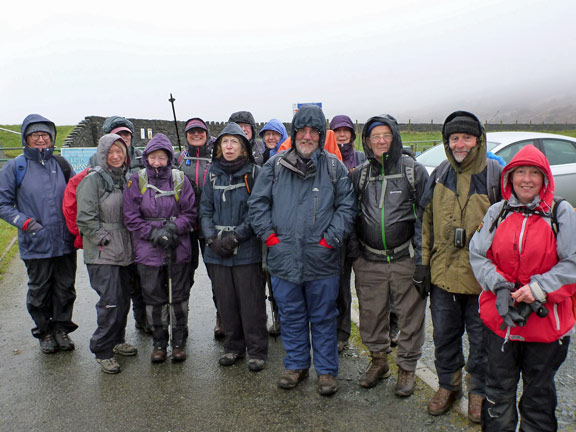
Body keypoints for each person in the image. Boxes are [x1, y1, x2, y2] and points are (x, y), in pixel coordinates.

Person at [248, 105, 356, 396]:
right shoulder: (274, 167)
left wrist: (329, 241)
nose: (307, 136)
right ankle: (296, 365)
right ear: (294, 133)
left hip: (322, 260)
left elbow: (347, 208)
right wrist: (271, 240)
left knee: (323, 316)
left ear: (321, 136)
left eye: (314, 131)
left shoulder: (335, 168)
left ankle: (326, 372)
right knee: (291, 315)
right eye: (302, 131)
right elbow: (258, 205)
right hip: (284, 259)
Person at [469, 144, 576, 431]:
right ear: (510, 177)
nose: (526, 179)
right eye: (520, 172)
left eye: (534, 173)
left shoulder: (561, 213)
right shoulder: (497, 212)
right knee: (497, 395)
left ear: (545, 179)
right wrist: (500, 286)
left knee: (538, 399)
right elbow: (478, 255)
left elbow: (573, 263)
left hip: (545, 327)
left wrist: (538, 289)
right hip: (500, 324)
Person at [415, 111, 502, 422]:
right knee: (445, 336)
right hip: (443, 277)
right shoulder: (439, 173)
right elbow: (424, 220)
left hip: (482, 282)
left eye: (466, 137)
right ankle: (447, 385)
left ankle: (478, 390)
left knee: (482, 341)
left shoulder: (495, 174)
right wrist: (421, 264)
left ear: (477, 139)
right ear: (447, 142)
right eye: (454, 138)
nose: (460, 144)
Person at [350, 114, 429, 396]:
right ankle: (379, 362)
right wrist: (355, 253)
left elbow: (424, 219)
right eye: (375, 137)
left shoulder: (413, 171)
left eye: (386, 135)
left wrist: (421, 261)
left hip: (405, 258)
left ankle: (406, 369)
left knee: (410, 318)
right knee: (371, 314)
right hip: (369, 259)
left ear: (394, 137)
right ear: (367, 142)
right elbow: (350, 214)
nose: (381, 141)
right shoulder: (359, 174)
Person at [0, 114, 77, 354]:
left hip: (64, 241)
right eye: (35, 135)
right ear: (26, 139)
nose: (41, 139)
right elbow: (3, 203)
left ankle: (62, 329)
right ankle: (44, 332)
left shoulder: (61, 165)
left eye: (45, 135)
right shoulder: (15, 167)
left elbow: (75, 197)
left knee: (65, 288)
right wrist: (26, 223)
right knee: (39, 291)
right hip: (36, 242)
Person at [200, 122, 268, 372]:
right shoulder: (213, 174)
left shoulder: (255, 173)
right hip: (216, 251)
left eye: (234, 142)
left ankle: (257, 350)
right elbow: (205, 210)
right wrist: (211, 239)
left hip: (246, 250)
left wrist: (236, 237)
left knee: (251, 302)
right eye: (225, 142)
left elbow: (257, 210)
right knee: (226, 302)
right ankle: (233, 347)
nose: (229, 147)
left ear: (244, 148)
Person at [123, 133, 196, 363]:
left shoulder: (180, 180)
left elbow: (190, 212)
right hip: (148, 250)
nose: (157, 162)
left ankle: (178, 341)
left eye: (161, 157)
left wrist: (174, 229)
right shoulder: (137, 181)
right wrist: (153, 233)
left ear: (168, 158)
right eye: (153, 157)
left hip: (178, 246)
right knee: (154, 297)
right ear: (146, 157)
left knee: (179, 296)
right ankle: (159, 342)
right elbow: (130, 216)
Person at [76, 134, 137, 374]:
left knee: (123, 299)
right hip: (102, 252)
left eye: (120, 151)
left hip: (124, 249)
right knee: (110, 301)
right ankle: (102, 349)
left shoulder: (125, 179)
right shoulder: (93, 181)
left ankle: (117, 339)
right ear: (103, 154)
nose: (115, 156)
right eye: (111, 152)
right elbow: (85, 218)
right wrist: (103, 238)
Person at [89, 115, 148, 334]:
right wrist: (99, 236)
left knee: (141, 283)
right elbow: (86, 209)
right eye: (117, 134)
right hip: (112, 238)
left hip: (138, 233)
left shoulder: (142, 159)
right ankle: (111, 339)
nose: (122, 138)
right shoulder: (96, 166)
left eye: (126, 134)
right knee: (115, 292)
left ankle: (144, 321)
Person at [174, 117, 222, 338]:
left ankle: (222, 318)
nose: (196, 134)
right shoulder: (180, 158)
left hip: (209, 225)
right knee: (184, 275)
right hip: (187, 227)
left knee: (217, 275)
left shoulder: (217, 155)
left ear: (206, 133)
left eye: (199, 131)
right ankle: (179, 324)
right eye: (191, 131)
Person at [328, 114, 367, 353]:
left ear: (353, 134)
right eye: (337, 131)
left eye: (346, 131)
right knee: (339, 287)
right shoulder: (327, 159)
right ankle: (340, 332)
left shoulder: (361, 158)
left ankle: (375, 339)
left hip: (360, 232)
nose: (342, 135)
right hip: (338, 232)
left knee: (364, 288)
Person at [257, 119, 289, 336]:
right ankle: (277, 318)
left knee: (284, 275)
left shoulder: (288, 158)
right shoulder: (260, 159)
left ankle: (287, 320)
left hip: (284, 225)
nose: (270, 138)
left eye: (274, 134)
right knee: (268, 272)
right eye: (267, 134)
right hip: (266, 226)